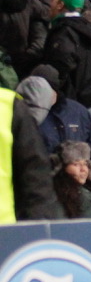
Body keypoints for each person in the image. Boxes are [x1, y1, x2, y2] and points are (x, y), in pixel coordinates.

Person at [0, 85, 59, 224]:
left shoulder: (8, 105)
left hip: (5, 236)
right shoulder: (7, 104)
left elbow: (35, 176)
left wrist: (37, 230)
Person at [51, 141, 91, 219]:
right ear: (62, 168)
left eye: (85, 164)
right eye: (76, 164)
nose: (83, 169)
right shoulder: (58, 197)